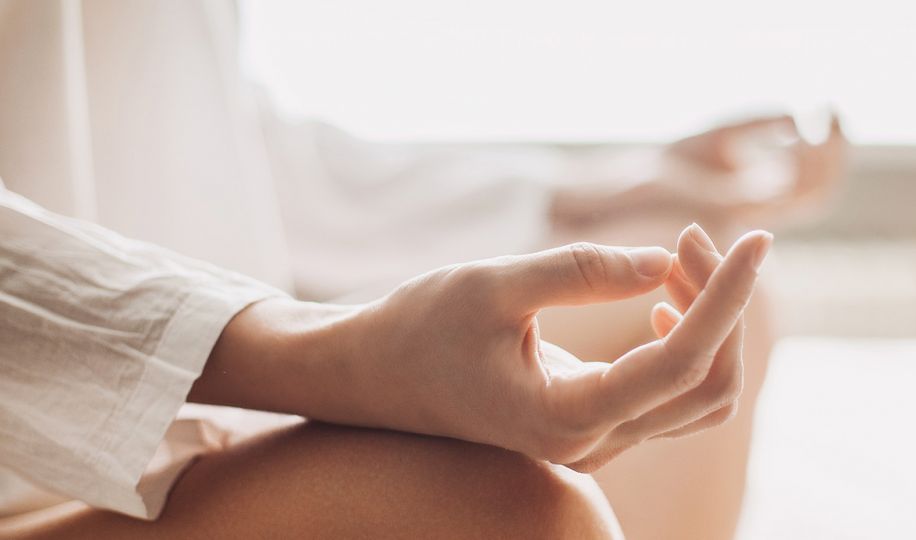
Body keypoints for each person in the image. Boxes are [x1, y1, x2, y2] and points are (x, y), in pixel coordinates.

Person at [0, 1, 846, 538]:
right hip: (28, 465)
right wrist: (331, 357)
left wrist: (593, 190)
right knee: (516, 519)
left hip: (173, 408)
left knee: (687, 297)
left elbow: (206, 137)